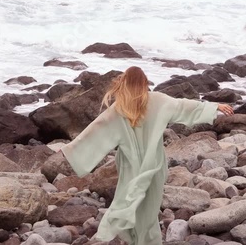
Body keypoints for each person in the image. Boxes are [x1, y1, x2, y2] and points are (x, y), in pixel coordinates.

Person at [61, 66, 234, 245]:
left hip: (130, 165)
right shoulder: (156, 101)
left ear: (124, 83)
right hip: (154, 164)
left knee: (129, 201)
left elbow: (95, 132)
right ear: (144, 82)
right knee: (150, 209)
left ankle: (134, 238)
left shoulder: (118, 109)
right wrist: (214, 106)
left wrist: (70, 150)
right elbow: (183, 105)